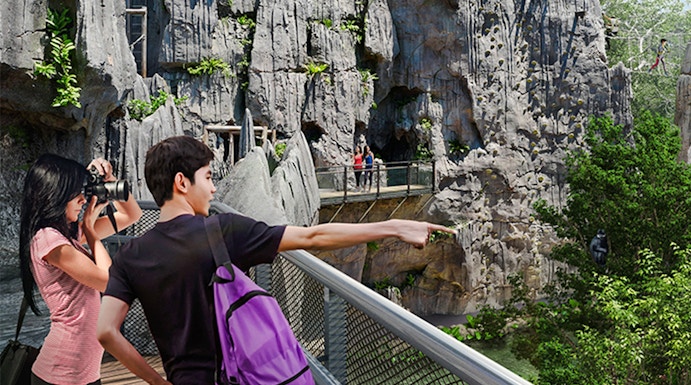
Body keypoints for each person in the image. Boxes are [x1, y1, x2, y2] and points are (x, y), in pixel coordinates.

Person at [97, 135, 454, 384]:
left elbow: (106, 331)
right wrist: (393, 227)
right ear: (181, 182)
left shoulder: (131, 254)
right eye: (207, 178)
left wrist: (157, 381)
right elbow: (313, 236)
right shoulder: (220, 231)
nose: (214, 189)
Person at [19, 154, 142, 385]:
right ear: (55, 195)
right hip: (61, 375)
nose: (82, 200)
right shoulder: (48, 240)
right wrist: (91, 230)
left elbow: (132, 215)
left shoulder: (68, 235)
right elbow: (109, 281)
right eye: (75, 194)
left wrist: (110, 181)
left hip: (84, 373)